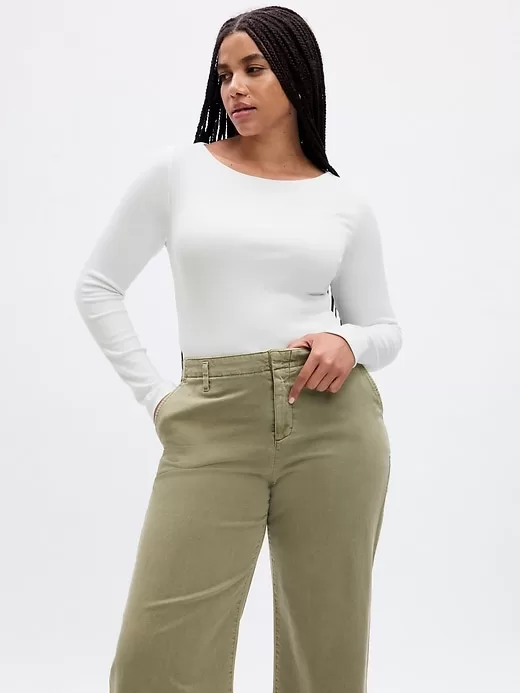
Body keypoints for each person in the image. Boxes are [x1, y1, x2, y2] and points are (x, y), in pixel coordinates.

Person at [74, 5, 403, 693]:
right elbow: (98, 286)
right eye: (224, 74)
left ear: (298, 74)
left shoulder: (342, 202)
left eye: (254, 69)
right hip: (210, 418)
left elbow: (384, 329)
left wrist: (347, 339)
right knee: (154, 660)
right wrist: (158, 399)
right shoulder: (179, 173)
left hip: (332, 423)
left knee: (327, 653)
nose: (235, 88)